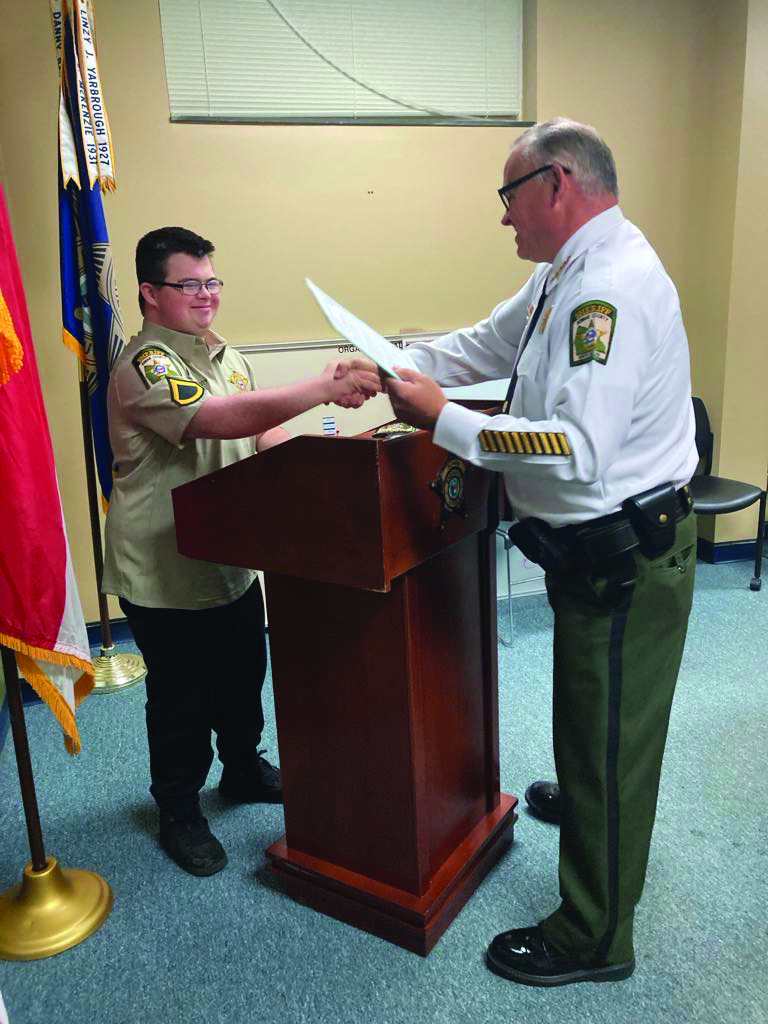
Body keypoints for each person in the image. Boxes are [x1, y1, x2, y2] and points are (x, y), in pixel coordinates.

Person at [385, 118, 698, 986]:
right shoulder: (565, 272)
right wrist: (395, 363)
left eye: (508, 195)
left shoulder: (611, 290)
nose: (502, 216)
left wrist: (444, 420)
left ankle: (593, 938)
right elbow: (487, 343)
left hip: (629, 558)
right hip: (591, 556)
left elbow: (575, 449)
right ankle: (593, 807)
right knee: (589, 715)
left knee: (610, 737)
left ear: (557, 184)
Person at [102, 226, 380, 877]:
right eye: (189, 284)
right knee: (183, 700)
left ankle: (241, 769)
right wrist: (321, 388)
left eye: (212, 282)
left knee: (241, 678)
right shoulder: (147, 364)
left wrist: (325, 470)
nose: (206, 295)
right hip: (166, 569)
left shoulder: (224, 356)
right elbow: (213, 421)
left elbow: (258, 432)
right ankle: (179, 808)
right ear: (150, 293)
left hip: (230, 556)